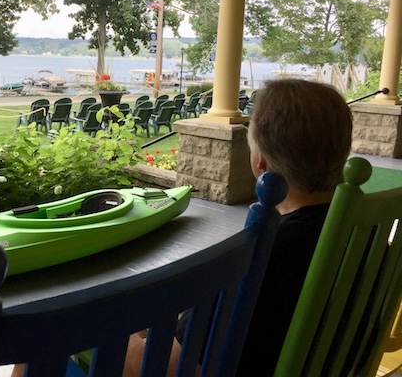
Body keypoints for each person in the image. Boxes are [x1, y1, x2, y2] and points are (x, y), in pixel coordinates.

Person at [124, 79, 353, 377]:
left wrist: (111, 330)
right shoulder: (364, 234)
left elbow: (163, 368)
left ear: (260, 163)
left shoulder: (258, 258)